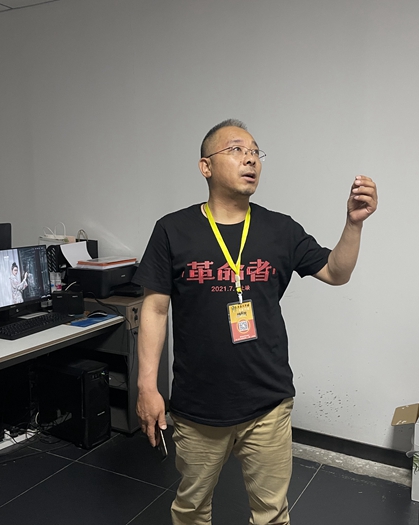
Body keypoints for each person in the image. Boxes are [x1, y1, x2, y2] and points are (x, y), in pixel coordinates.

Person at [133, 119, 378, 525]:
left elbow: (337, 272)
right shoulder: (173, 230)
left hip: (268, 401)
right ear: (205, 166)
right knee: (191, 509)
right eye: (235, 149)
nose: (250, 159)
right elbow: (155, 309)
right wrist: (147, 386)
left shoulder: (280, 229)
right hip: (198, 406)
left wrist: (354, 224)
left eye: (255, 152)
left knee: (271, 515)